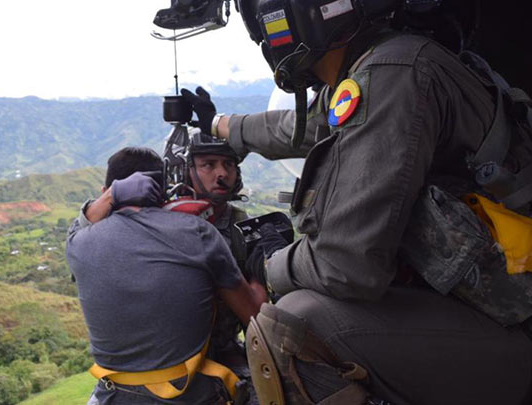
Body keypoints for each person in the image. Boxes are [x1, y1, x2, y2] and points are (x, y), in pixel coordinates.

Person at [179, 0, 532, 404]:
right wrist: (217, 123)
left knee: (294, 321)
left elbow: (346, 267)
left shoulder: (391, 74)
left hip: (513, 326)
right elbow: (300, 128)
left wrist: (266, 262)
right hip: (492, 309)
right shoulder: (385, 63)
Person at [66, 146, 266, 404]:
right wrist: (260, 266)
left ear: (107, 193)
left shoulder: (78, 244)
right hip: (191, 394)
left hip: (114, 395)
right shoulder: (198, 233)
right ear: (163, 191)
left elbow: (81, 224)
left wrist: (110, 197)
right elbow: (253, 314)